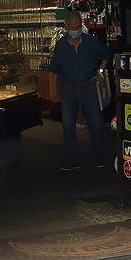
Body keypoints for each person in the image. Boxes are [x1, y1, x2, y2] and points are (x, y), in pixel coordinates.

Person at [49, 11, 111, 171]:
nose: (76, 30)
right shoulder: (61, 45)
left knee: (96, 123)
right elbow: (53, 70)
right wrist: (53, 91)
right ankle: (71, 160)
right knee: (68, 126)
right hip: (68, 88)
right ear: (66, 27)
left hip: (88, 87)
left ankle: (99, 157)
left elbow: (106, 55)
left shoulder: (91, 42)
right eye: (72, 27)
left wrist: (100, 72)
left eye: (78, 26)